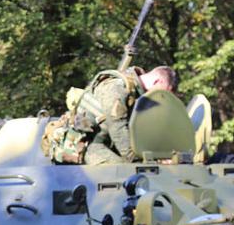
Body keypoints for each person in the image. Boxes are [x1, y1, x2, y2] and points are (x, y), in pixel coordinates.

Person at [46, 65, 178, 165]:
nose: (162, 99)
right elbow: (117, 128)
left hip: (106, 143)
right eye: (164, 93)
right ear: (157, 82)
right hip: (83, 144)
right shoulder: (117, 87)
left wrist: (158, 157)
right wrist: (139, 161)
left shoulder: (138, 95)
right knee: (124, 173)